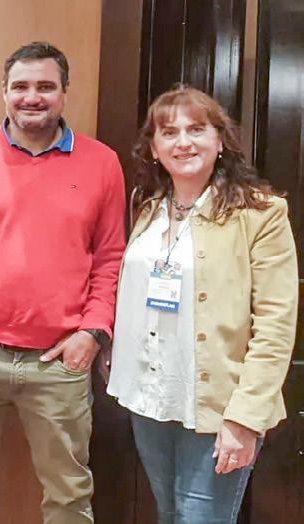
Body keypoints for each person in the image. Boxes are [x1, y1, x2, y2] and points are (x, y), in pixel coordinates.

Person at [0, 41, 126, 523]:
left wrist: (92, 332)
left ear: (64, 93)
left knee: (69, 494)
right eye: (21, 86)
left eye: (45, 87)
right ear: (4, 91)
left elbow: (110, 258)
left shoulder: (102, 163)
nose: (32, 97)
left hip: (60, 361)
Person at [105, 86, 297, 523]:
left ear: (220, 140)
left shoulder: (261, 214)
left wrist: (245, 418)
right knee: (170, 514)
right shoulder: (147, 207)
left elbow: (275, 326)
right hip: (149, 398)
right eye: (169, 132)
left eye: (196, 129)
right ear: (154, 148)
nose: (183, 142)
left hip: (217, 407)